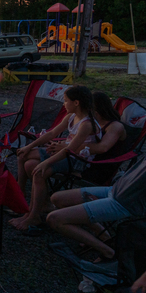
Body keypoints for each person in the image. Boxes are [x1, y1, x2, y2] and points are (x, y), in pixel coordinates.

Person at [10, 85, 100, 232]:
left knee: (38, 171)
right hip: (65, 153)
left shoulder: (87, 124)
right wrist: (29, 146)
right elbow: (51, 134)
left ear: (76, 102)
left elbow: (70, 150)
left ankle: (33, 215)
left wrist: (46, 163)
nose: (64, 104)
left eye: (65, 101)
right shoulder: (71, 116)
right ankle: (32, 209)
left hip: (78, 161)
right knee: (28, 162)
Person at [47, 156, 146, 262]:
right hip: (114, 190)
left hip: (122, 203)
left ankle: (109, 253)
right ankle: (103, 236)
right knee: (57, 199)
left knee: (54, 219)